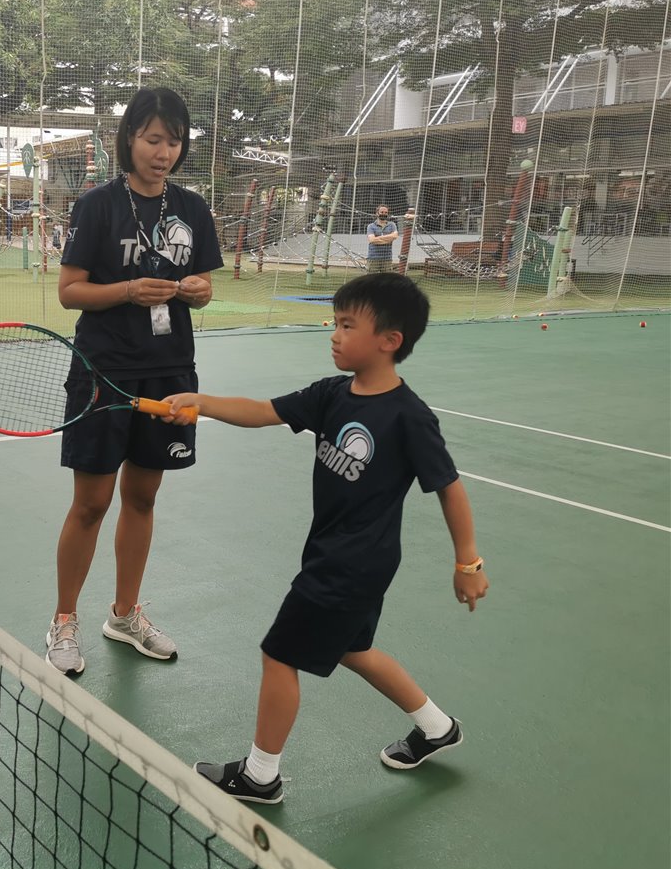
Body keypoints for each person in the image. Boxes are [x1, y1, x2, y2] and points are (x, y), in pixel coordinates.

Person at [162, 272, 488, 803]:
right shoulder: (332, 394)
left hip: (352, 563)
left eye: (347, 325)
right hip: (336, 552)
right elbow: (263, 412)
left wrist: (467, 564)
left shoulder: (409, 417)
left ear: (389, 341)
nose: (334, 335)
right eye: (334, 323)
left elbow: (449, 487)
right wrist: (202, 402)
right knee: (352, 649)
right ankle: (437, 727)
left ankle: (260, 775)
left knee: (279, 654)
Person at [46, 87, 223, 676]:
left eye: (174, 141)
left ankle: (124, 615)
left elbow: (205, 286)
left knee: (143, 497)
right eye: (153, 140)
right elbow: (70, 291)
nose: (164, 152)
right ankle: (64, 621)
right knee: (91, 503)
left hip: (169, 371)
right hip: (104, 372)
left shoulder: (193, 209)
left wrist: (198, 290)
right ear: (129, 139)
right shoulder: (97, 205)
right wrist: (126, 290)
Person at [365, 205, 399, 272]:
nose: (384, 214)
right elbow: (372, 240)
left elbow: (395, 236)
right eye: (382, 212)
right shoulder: (371, 226)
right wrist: (388, 239)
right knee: (372, 278)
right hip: (373, 258)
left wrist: (378, 238)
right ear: (377, 213)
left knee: (387, 278)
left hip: (387, 258)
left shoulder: (392, 225)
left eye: (386, 212)